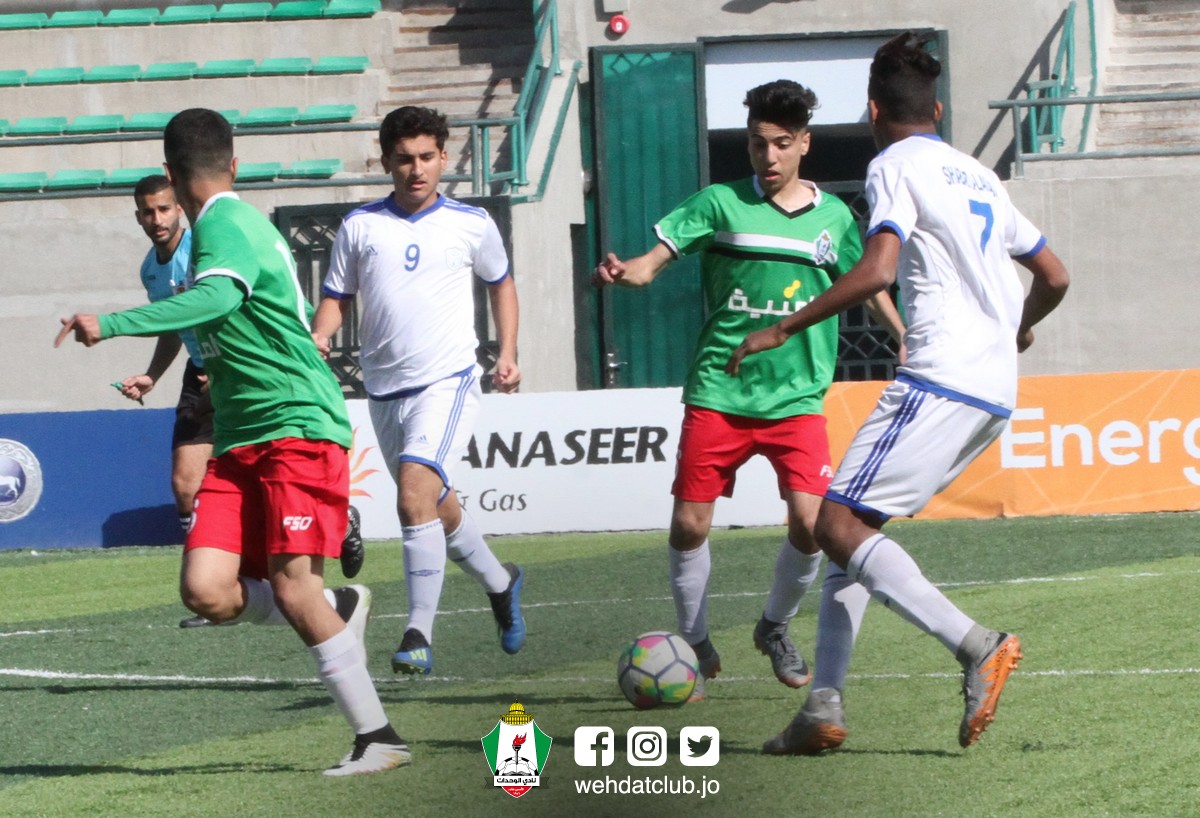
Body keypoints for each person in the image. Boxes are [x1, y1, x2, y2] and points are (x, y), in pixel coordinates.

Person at [727, 33, 1069, 752]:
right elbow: (1055, 275)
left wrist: (783, 326)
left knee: (835, 526)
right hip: (993, 388)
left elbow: (878, 268)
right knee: (855, 528)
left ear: (873, 110)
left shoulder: (893, 165)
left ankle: (976, 644)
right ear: (937, 110)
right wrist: (1015, 329)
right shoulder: (980, 176)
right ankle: (822, 707)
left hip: (939, 376)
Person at [56, 108, 409, 776]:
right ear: (234, 163)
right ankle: (337, 607)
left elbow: (216, 299)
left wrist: (113, 323)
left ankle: (379, 738)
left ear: (169, 174)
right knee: (207, 589)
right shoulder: (219, 229)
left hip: (295, 426)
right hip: (241, 438)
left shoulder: (225, 224)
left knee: (293, 590)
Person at [593, 80, 905, 699]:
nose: (768, 157)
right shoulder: (718, 203)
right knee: (689, 524)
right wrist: (625, 272)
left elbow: (867, 282)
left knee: (812, 524)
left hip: (796, 398)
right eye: (759, 144)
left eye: (781, 144)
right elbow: (650, 265)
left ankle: (774, 626)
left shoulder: (834, 219)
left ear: (804, 144)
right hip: (721, 389)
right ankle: (694, 640)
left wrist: (902, 336)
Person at [312, 105, 526, 677]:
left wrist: (507, 353)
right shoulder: (360, 226)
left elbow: (501, 285)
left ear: (444, 158)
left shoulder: (471, 222)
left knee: (412, 497)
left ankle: (417, 634)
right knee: (434, 503)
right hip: (384, 389)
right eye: (404, 159)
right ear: (386, 162)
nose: (416, 169)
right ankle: (501, 583)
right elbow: (336, 297)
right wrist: (321, 335)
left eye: (427, 157)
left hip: (447, 381)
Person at [119, 177, 367, 630]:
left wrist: (304, 335)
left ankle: (309, 548)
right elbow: (174, 325)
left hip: (240, 373)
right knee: (184, 483)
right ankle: (220, 590)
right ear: (138, 217)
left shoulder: (210, 239)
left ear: (179, 207)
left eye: (164, 209)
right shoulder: (151, 269)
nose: (157, 219)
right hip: (203, 371)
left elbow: (240, 299)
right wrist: (153, 375)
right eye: (148, 212)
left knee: (246, 501)